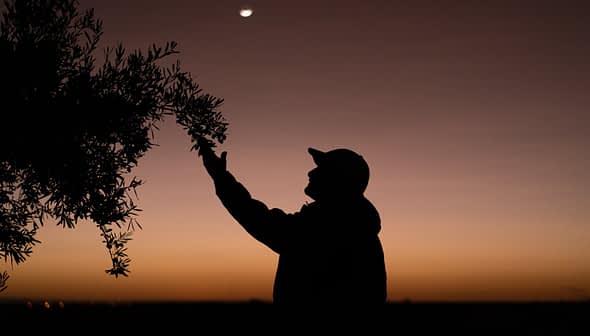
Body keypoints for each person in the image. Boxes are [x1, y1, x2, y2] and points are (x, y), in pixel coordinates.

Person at [197, 139, 387, 305]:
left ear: (337, 180)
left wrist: (220, 178)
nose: (311, 172)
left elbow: (262, 222)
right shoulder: (357, 228)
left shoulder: (325, 227)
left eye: (322, 169)